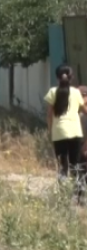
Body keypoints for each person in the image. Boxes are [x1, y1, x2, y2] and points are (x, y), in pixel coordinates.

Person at [44, 65, 87, 193]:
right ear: (71, 77)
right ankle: (80, 195)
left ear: (57, 77)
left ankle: (63, 197)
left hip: (59, 133)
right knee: (77, 165)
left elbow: (49, 115)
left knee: (63, 166)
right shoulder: (75, 92)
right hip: (75, 132)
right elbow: (84, 110)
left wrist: (50, 131)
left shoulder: (52, 92)